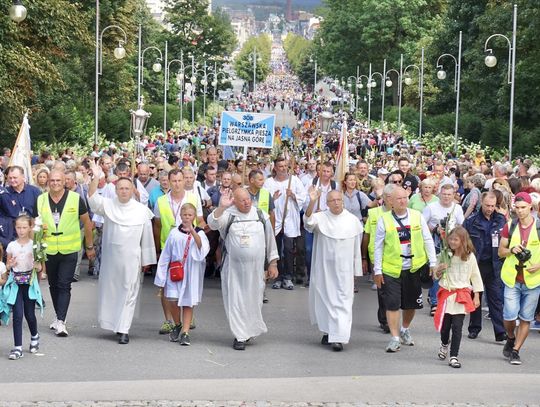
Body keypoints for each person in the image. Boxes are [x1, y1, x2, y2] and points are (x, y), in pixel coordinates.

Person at [87, 161, 156, 344]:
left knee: (129, 292)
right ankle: (114, 324)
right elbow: (93, 200)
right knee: (112, 292)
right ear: (116, 190)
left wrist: (146, 260)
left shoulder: (142, 211)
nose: (124, 191)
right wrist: (95, 177)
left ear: (133, 190)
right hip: (111, 261)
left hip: (131, 260)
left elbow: (147, 237)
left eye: (127, 188)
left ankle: (124, 329)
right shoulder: (108, 206)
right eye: (121, 188)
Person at [208, 188, 279, 350]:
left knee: (253, 299)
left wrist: (273, 263)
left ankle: (248, 329)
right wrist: (221, 207)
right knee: (236, 300)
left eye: (248, 199)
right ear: (235, 201)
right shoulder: (229, 214)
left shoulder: (261, 215)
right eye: (242, 200)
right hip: (233, 268)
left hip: (256, 269)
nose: (247, 202)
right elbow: (212, 224)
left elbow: (270, 239)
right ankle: (239, 336)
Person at [374, 186, 437, 352]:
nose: (402, 201)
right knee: (392, 304)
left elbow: (427, 239)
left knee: (411, 305)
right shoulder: (384, 219)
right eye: (398, 199)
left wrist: (433, 262)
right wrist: (377, 270)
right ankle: (394, 338)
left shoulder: (417, 216)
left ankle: (404, 329)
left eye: (404, 198)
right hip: (391, 269)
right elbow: (378, 246)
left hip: (414, 268)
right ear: (391, 202)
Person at [304, 188, 363, 351]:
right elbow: (308, 221)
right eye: (332, 201)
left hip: (344, 270)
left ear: (342, 201)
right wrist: (312, 201)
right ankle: (329, 331)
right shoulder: (321, 217)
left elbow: (356, 248)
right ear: (327, 203)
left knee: (343, 301)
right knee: (325, 299)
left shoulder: (352, 221)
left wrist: (357, 269)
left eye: (339, 200)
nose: (336, 203)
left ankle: (338, 337)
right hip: (324, 269)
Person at [37, 170, 95, 337]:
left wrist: (89, 246)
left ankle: (61, 321)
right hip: (49, 250)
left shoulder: (76, 199)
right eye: (52, 180)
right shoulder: (41, 200)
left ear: (65, 182)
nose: (55, 183)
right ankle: (57, 316)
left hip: (70, 249)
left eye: (58, 180)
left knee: (64, 285)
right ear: (48, 182)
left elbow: (87, 222)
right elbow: (36, 225)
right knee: (53, 285)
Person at [153, 169, 203, 335]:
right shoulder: (160, 201)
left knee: (188, 284)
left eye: (179, 180)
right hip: (169, 248)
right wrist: (158, 249)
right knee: (167, 286)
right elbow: (157, 225)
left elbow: (200, 221)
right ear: (168, 181)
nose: (177, 184)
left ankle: (188, 317)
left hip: (188, 249)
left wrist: (200, 242)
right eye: (173, 181)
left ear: (184, 181)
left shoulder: (193, 198)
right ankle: (169, 320)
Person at [155, 203, 209, 346]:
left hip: (191, 272)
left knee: (187, 302)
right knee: (172, 300)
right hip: (175, 271)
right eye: (185, 215)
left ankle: (185, 332)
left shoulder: (200, 232)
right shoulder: (174, 233)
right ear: (180, 216)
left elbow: (201, 248)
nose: (187, 217)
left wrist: (193, 231)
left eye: (190, 215)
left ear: (194, 216)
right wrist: (161, 276)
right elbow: (166, 254)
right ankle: (177, 323)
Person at [498, 192, 540, 365]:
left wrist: (538, 265)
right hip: (512, 279)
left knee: (525, 318)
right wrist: (511, 250)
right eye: (518, 207)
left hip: (533, 280)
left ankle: (515, 350)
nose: (521, 211)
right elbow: (501, 252)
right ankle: (510, 336)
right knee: (509, 315)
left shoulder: (538, 226)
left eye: (524, 207)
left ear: (531, 207)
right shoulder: (510, 225)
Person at [433, 226, 483, 368]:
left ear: (463, 241)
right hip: (446, 294)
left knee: (457, 327)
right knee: (445, 327)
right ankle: (444, 343)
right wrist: (439, 270)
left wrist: (477, 296)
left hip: (461, 295)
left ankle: (454, 356)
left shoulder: (470, 257)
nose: (453, 242)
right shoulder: (444, 255)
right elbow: (435, 275)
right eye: (451, 239)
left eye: (456, 239)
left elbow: (476, 276)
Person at [464, 192, 507, 341]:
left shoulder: (501, 220)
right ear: (482, 203)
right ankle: (474, 328)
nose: (490, 208)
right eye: (487, 205)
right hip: (477, 264)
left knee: (495, 299)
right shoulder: (472, 221)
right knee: (476, 296)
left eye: (492, 206)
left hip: (495, 265)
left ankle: (500, 331)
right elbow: (464, 240)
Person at [0, 216, 44, 360]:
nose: (21, 230)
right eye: (18, 227)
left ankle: (34, 335)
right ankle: (17, 347)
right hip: (16, 282)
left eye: (24, 227)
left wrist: (37, 266)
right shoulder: (12, 245)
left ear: (30, 227)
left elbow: (40, 267)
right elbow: (7, 265)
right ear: (15, 228)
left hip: (29, 283)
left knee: (29, 314)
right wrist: (10, 265)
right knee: (17, 315)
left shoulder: (35, 244)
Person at [264, 157, 307, 290]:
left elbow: (303, 197)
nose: (283, 169)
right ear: (275, 168)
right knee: (276, 250)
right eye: (280, 166)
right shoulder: (269, 182)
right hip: (274, 220)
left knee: (288, 249)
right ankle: (278, 277)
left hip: (289, 220)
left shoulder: (294, 181)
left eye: (285, 166)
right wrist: (273, 198)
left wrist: (293, 195)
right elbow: (264, 200)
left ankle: (288, 277)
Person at [423, 184, 465, 316]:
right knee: (437, 271)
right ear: (440, 194)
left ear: (454, 195)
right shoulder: (431, 207)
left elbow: (462, 225)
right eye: (444, 194)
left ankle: (437, 296)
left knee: (448, 271)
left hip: (451, 245)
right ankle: (435, 303)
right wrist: (435, 229)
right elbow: (422, 225)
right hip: (435, 244)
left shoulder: (457, 208)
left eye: (449, 194)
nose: (446, 197)